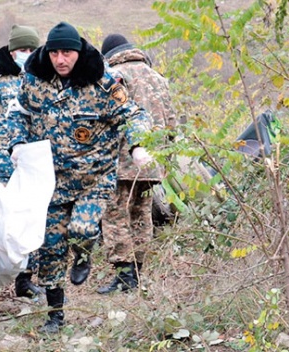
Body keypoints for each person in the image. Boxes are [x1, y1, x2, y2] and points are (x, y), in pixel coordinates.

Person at [7, 22, 152, 333]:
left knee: (83, 229)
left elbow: (135, 114)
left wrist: (138, 145)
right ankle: (55, 316)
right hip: (51, 181)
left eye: (67, 53)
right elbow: (19, 113)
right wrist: (17, 142)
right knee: (49, 250)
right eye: (55, 53)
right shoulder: (35, 80)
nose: (61, 60)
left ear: (79, 52)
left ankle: (84, 254)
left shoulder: (103, 81)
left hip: (94, 179)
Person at [97, 34, 177, 294]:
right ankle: (138, 270)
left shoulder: (114, 76)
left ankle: (124, 275)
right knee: (141, 213)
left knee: (115, 214)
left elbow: (106, 119)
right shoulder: (158, 78)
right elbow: (173, 122)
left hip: (122, 160)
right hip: (153, 161)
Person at [0, 24, 45, 299]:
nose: (27, 54)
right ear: (11, 50)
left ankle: (24, 279)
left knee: (28, 220)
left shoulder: (39, 78)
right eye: (22, 49)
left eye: (32, 49)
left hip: (26, 163)